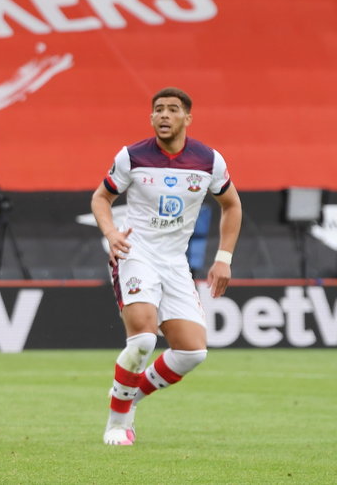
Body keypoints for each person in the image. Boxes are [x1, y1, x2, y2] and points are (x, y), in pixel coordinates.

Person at [90, 87, 241, 446]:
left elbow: (232, 205)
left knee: (192, 352)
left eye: (173, 110)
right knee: (142, 339)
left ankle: (126, 397)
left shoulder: (208, 161)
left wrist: (223, 258)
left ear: (187, 118)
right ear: (151, 117)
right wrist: (111, 233)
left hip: (174, 262)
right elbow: (101, 197)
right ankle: (117, 422)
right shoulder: (132, 156)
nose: (164, 115)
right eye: (158, 109)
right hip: (136, 252)